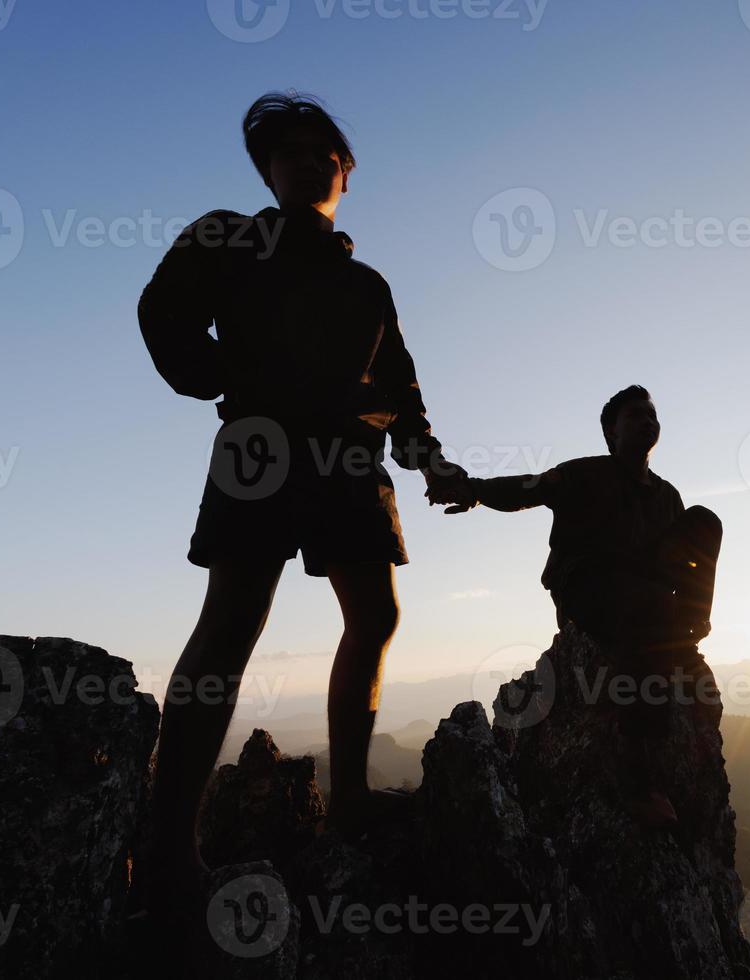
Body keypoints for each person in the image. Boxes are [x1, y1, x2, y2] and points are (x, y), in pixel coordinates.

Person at [136, 91, 467, 920]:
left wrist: (428, 462)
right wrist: (220, 379)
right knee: (232, 621)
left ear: (346, 173)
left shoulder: (367, 284)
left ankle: (349, 797)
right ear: (267, 172)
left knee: (376, 615)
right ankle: (169, 848)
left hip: (350, 457)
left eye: (323, 150)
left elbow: (403, 388)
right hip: (262, 449)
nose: (307, 159)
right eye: (286, 151)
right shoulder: (228, 236)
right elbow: (161, 314)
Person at [431, 386, 722, 828]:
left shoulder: (667, 497)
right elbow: (527, 489)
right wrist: (472, 490)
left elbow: (688, 557)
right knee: (644, 615)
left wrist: (686, 608)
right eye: (635, 415)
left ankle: (688, 629)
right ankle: (637, 779)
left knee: (705, 520)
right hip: (589, 587)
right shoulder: (584, 475)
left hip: (649, 597)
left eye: (652, 414)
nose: (647, 421)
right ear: (610, 432)